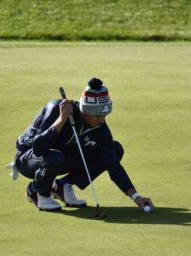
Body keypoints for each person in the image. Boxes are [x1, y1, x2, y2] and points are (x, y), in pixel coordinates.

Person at [11, 78, 155, 211]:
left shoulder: (100, 128)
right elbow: (38, 148)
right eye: (98, 116)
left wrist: (136, 196)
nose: (102, 120)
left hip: (60, 158)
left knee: (114, 150)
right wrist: (61, 119)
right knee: (56, 157)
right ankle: (37, 191)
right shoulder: (57, 108)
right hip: (28, 158)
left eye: (104, 116)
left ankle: (62, 186)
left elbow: (113, 164)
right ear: (86, 110)